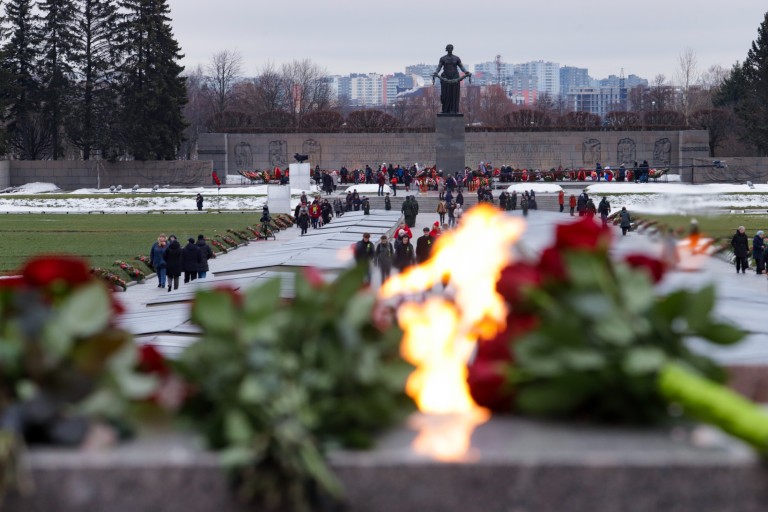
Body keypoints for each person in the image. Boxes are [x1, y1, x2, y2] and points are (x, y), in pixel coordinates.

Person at [433, 44, 471, 114]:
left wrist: (466, 72)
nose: (450, 49)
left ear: (452, 49)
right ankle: (445, 110)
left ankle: (453, 110)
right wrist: (436, 72)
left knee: (454, 94)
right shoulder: (442, 58)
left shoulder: (457, 58)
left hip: (455, 78)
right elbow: (439, 67)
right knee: (445, 94)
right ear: (446, 49)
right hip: (445, 78)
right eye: (449, 48)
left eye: (451, 48)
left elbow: (461, 66)